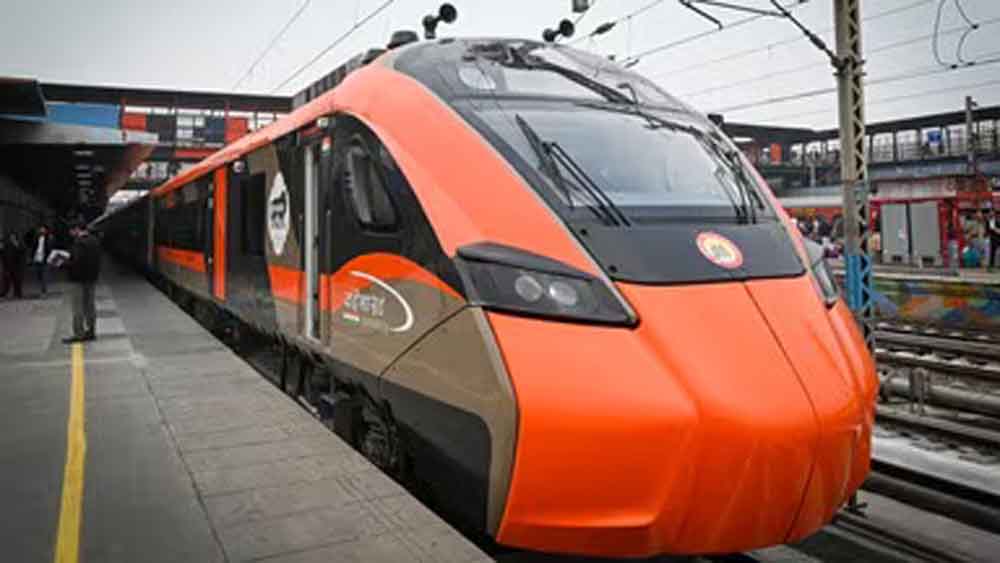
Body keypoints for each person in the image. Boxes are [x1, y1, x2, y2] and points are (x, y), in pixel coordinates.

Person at [62, 225, 101, 343]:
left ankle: (79, 334)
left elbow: (76, 261)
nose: (70, 233)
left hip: (78, 280)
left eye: (71, 230)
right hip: (91, 279)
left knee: (78, 307)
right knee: (90, 305)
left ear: (77, 229)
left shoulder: (79, 243)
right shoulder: (95, 241)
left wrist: (64, 263)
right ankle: (91, 331)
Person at [0, 232, 26, 298]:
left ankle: (18, 293)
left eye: (13, 236)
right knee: (6, 280)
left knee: (17, 280)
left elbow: (22, 251)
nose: (12, 238)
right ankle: (4, 292)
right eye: (11, 237)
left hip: (17, 266)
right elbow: (3, 254)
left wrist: (16, 244)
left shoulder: (19, 243)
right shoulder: (7, 245)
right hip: (8, 265)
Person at [31, 225, 52, 297]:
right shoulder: (36, 238)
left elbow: (50, 248)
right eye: (41, 229)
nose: (42, 230)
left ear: (46, 230)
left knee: (44, 276)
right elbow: (33, 247)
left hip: (45, 259)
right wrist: (32, 256)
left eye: (43, 229)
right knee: (38, 275)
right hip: (37, 258)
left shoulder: (49, 238)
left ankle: (44, 291)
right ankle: (42, 289)